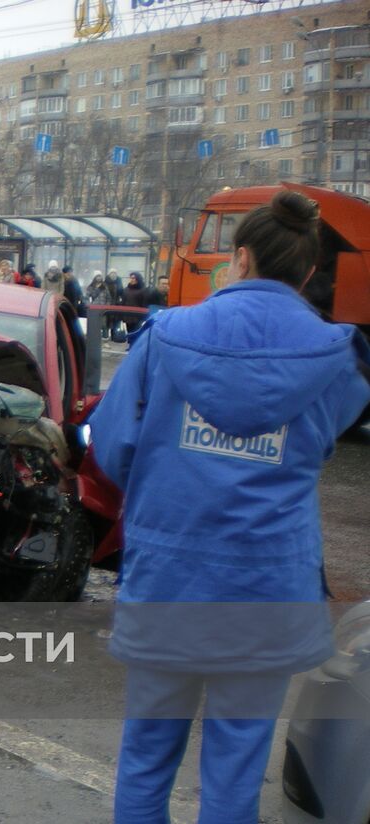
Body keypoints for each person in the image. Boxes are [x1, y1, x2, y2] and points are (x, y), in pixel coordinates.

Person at [89, 190, 370, 824]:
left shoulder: (165, 337)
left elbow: (112, 447)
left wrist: (166, 483)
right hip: (268, 585)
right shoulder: (335, 357)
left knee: (145, 761)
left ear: (239, 258)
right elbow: (329, 434)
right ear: (306, 271)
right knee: (235, 775)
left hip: (169, 580)